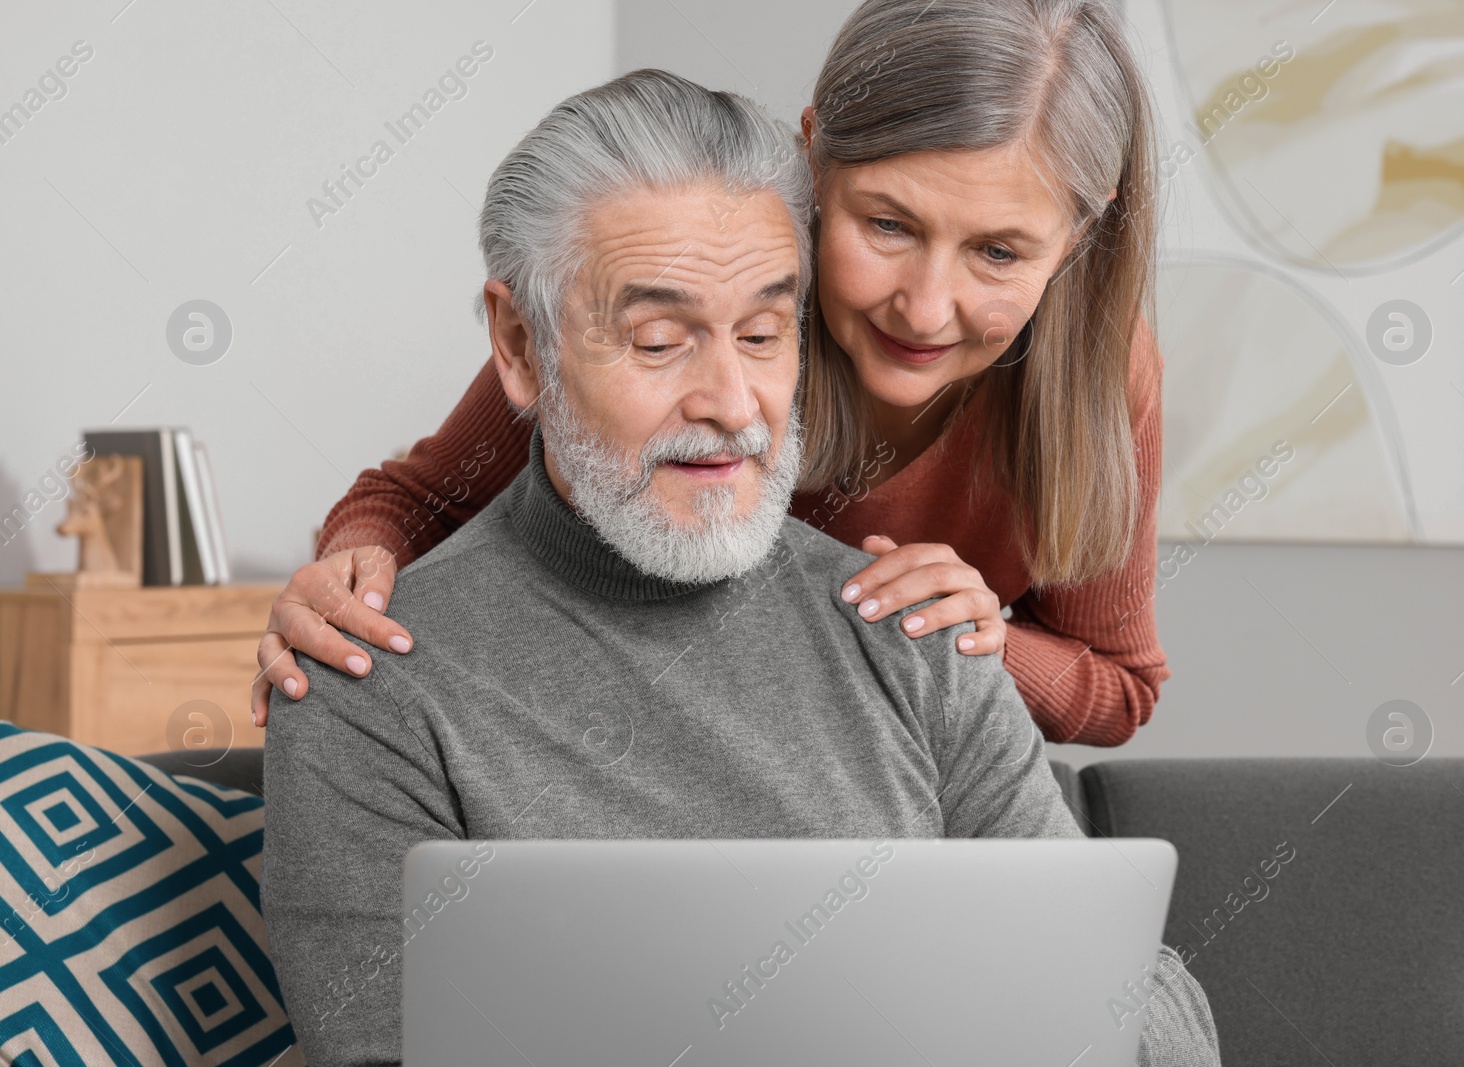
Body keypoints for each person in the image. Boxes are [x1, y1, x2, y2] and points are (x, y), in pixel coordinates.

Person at [261, 69, 1219, 1066]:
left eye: (766, 333)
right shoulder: (366, 683)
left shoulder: (922, 636)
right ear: (520, 344)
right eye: (660, 340)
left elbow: (1132, 987)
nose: (732, 401)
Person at [252, 0, 1172, 747]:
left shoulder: (1096, 368)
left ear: (1085, 231)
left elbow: (1120, 687)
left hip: (887, 780)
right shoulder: (714, 296)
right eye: (888, 226)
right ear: (814, 157)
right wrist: (346, 575)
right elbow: (419, 502)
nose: (926, 307)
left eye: (1000, 252)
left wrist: (974, 637)